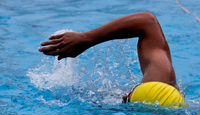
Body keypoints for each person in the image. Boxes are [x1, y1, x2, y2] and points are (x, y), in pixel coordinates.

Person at [39, 12, 187, 108]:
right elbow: (147, 23)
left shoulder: (163, 82)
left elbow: (148, 21)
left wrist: (85, 39)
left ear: (129, 95)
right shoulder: (167, 89)